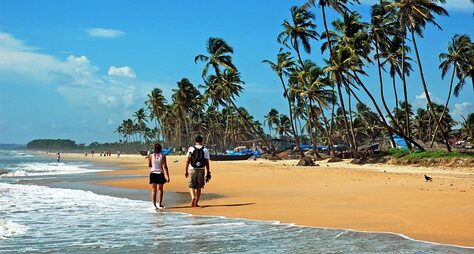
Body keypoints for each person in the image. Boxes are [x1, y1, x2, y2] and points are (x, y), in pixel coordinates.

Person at [185, 135, 211, 207]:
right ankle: (196, 202)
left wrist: (186, 170)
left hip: (192, 169)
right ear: (201, 141)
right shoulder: (205, 150)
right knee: (199, 187)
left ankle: (193, 197)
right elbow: (207, 162)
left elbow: (187, 160)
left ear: (195, 141)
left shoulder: (191, 149)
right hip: (201, 169)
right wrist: (208, 172)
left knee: (191, 186)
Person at [148, 143, 170, 209]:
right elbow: (165, 166)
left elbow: (149, 165)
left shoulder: (151, 156)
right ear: (160, 149)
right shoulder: (163, 156)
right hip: (160, 173)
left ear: (154, 149)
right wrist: (168, 176)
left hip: (153, 173)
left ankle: (154, 205)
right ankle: (160, 204)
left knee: (153, 190)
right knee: (160, 189)